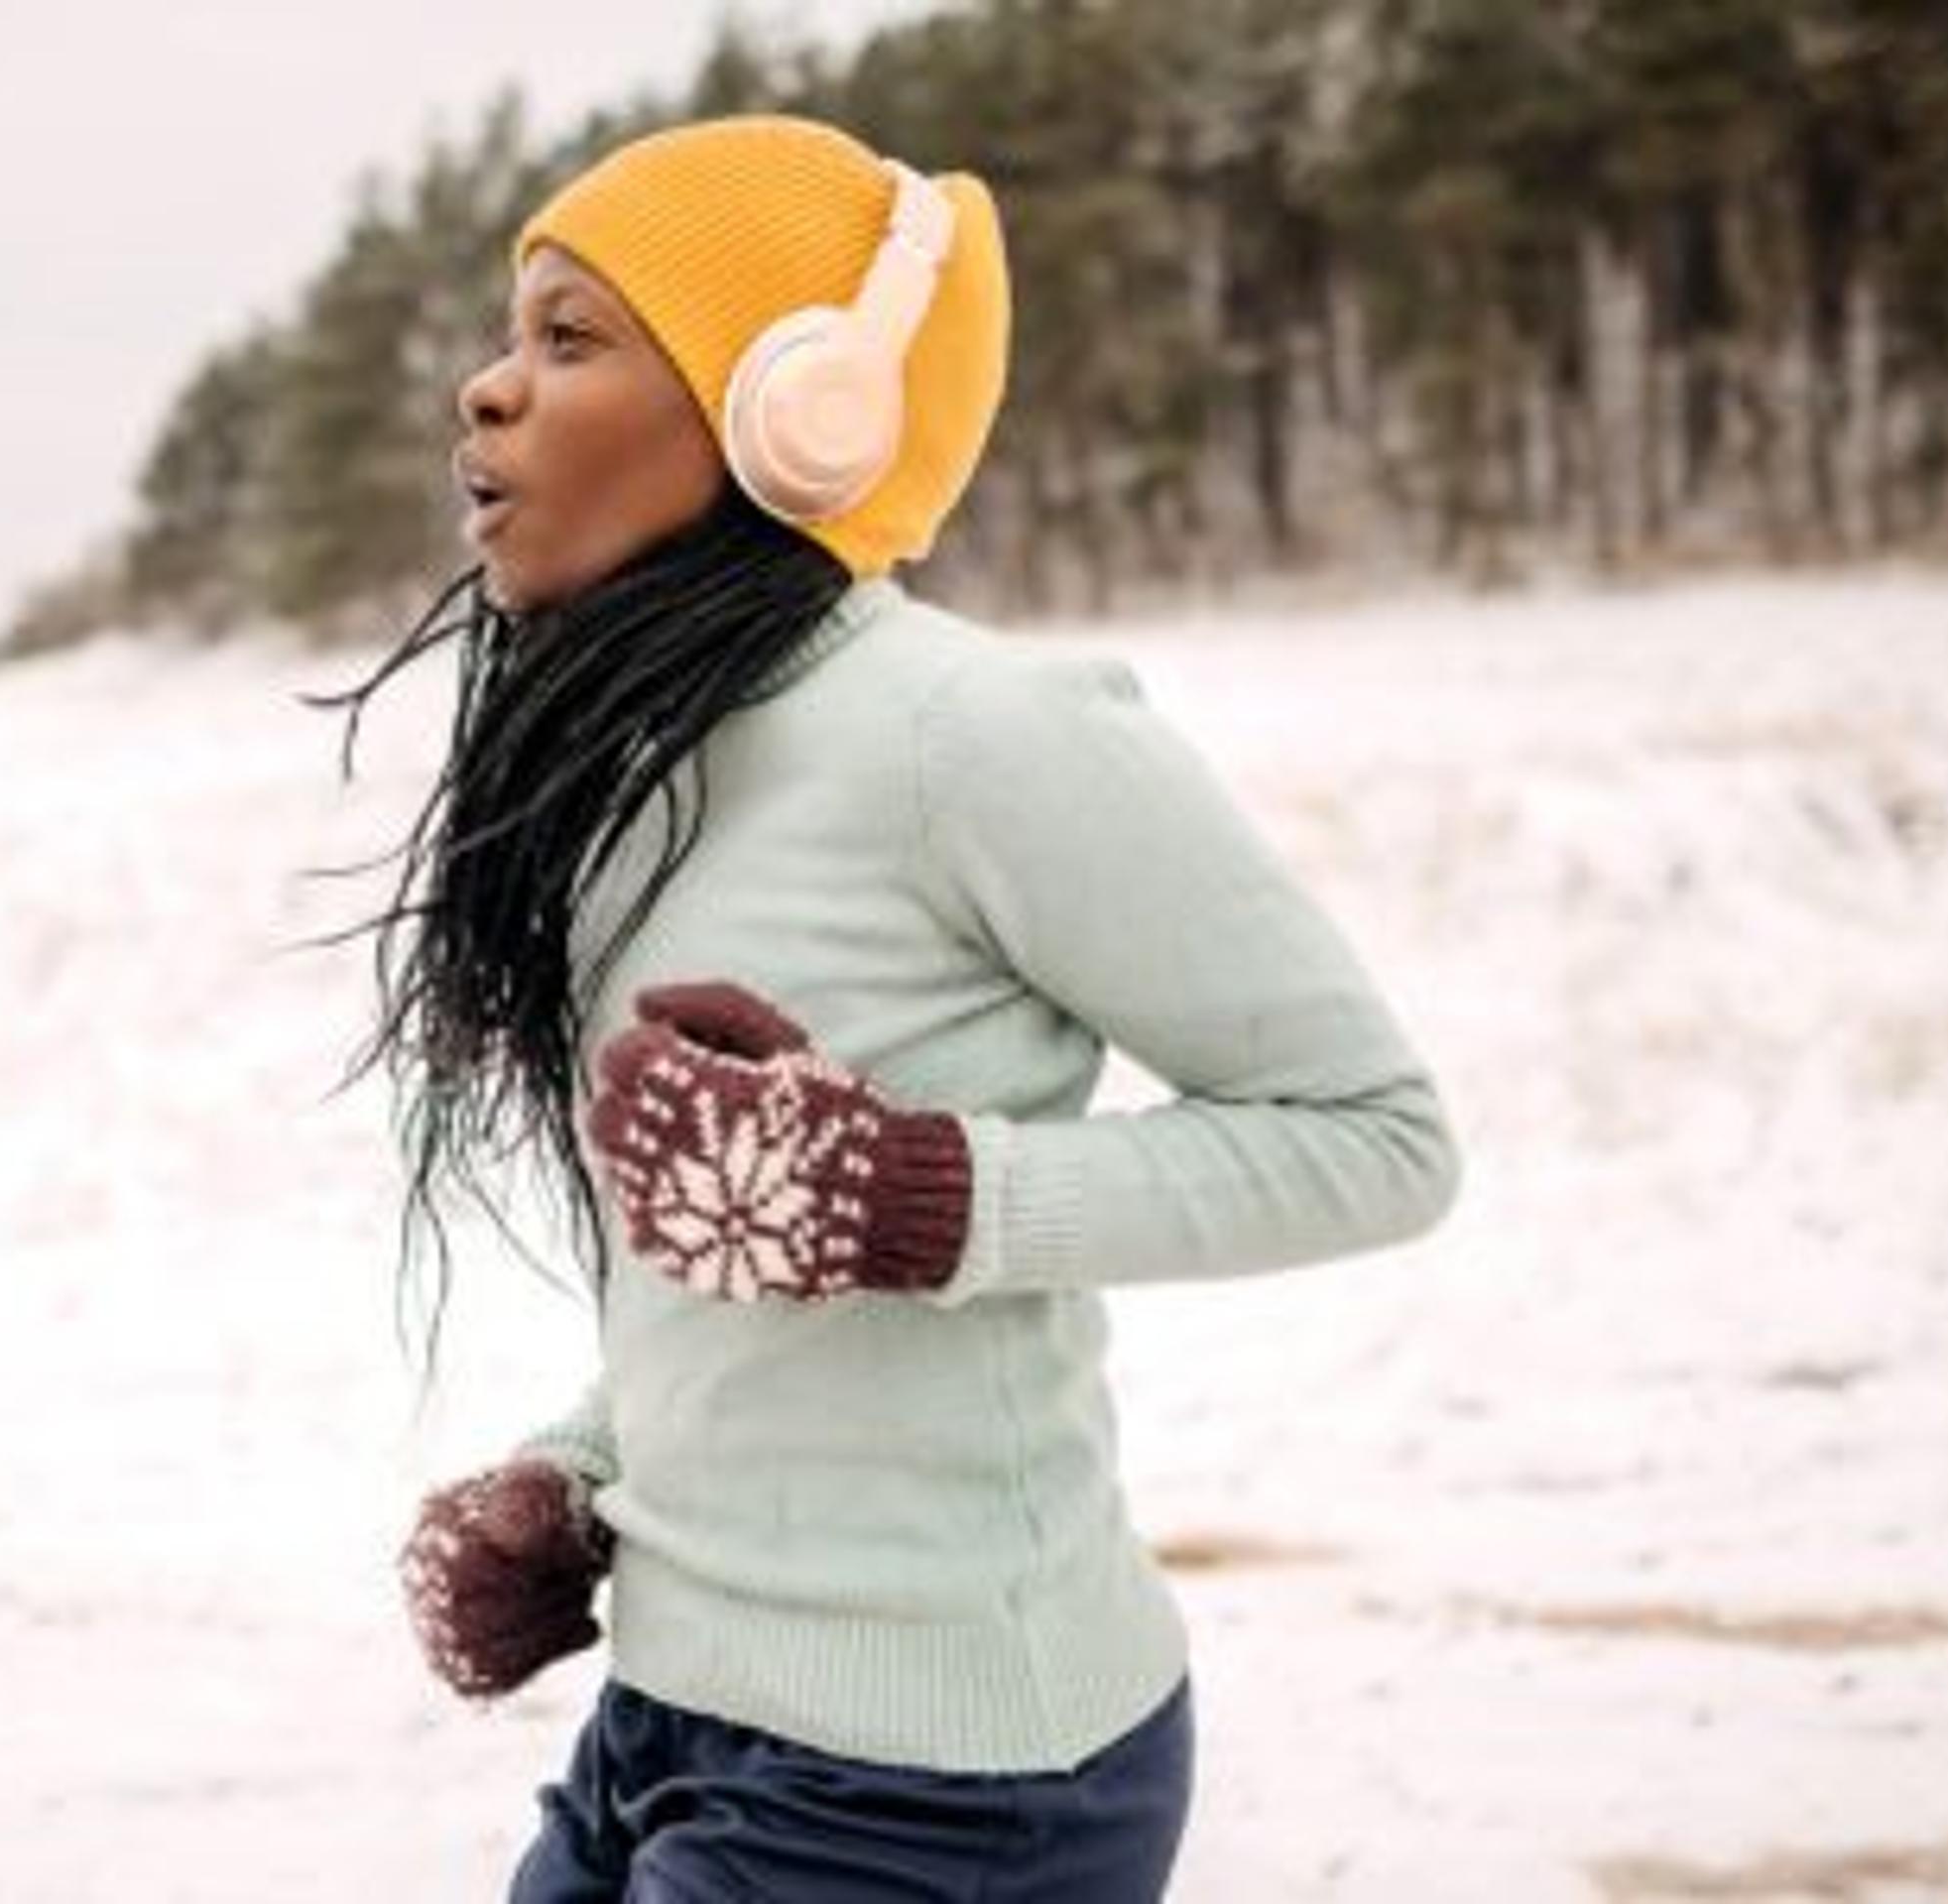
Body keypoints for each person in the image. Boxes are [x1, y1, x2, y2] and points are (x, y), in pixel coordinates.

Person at [309, 114, 1462, 1902]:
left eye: (569, 337)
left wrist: (926, 1196)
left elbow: (1377, 1142)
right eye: (505, 333)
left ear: (800, 408)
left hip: (943, 1779)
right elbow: (757, 1287)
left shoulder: (978, 738)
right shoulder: (651, 766)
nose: (485, 391)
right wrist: (585, 1477)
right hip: (670, 1722)